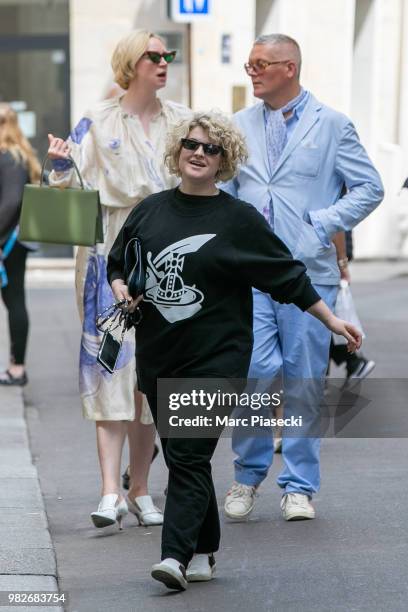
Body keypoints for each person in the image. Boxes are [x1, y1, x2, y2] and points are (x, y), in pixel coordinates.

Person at [107, 111, 362, 591]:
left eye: (211, 149)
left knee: (184, 455)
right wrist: (121, 286)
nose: (199, 153)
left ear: (225, 161)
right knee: (191, 458)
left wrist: (331, 321)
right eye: (192, 145)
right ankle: (205, 549)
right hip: (161, 355)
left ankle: (174, 557)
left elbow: (286, 275)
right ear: (178, 151)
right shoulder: (150, 209)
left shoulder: (237, 219)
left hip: (216, 357)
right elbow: (121, 262)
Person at [222, 33, 384, 523]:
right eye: (249, 65)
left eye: (259, 64)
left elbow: (370, 188)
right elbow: (226, 191)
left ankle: (298, 487)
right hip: (249, 274)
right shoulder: (238, 126)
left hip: (308, 274)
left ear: (288, 67)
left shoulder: (332, 124)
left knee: (304, 381)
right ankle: (247, 477)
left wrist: (320, 223)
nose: (250, 72)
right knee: (255, 375)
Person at [47, 29, 190, 529]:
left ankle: (140, 490)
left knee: (150, 383)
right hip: (109, 256)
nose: (164, 61)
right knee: (110, 372)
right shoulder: (97, 118)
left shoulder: (182, 121)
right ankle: (109, 492)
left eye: (167, 54)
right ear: (131, 63)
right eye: (154, 55)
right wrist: (61, 164)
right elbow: (67, 187)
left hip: (165, 258)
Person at [0, 103, 41, 386]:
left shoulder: (9, 157)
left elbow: (11, 202)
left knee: (14, 301)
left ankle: (17, 368)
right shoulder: (21, 155)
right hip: (13, 239)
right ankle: (17, 366)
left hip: (8, 241)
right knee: (14, 300)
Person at [329, 231, 375, 388]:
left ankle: (353, 362)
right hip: (333, 252)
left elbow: (337, 226)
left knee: (321, 320)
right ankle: (353, 363)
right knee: (322, 320)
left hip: (332, 253)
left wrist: (342, 263)